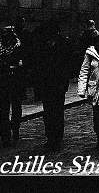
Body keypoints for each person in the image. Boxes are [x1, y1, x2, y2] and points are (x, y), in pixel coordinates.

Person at [32, 21, 72, 151]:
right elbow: (38, 67)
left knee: (56, 112)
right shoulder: (42, 46)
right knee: (49, 112)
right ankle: (51, 137)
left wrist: (64, 83)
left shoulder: (62, 45)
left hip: (57, 84)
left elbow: (67, 66)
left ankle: (56, 138)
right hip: (47, 84)